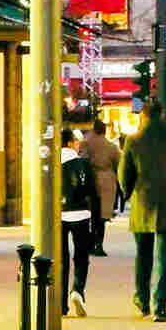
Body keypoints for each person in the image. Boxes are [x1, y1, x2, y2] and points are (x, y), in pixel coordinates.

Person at [119, 100, 166, 322]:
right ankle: (160, 306)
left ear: (143, 116)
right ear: (162, 115)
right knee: (165, 257)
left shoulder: (133, 141)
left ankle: (142, 302)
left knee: (142, 255)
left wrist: (128, 194)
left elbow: (124, 175)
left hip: (142, 202)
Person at [60, 128, 99, 317]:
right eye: (75, 141)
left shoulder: (49, 163)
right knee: (81, 256)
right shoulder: (82, 163)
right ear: (69, 143)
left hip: (58, 216)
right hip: (82, 214)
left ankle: (60, 303)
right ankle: (77, 290)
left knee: (61, 258)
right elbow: (93, 192)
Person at [80, 118, 119, 257]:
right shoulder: (111, 146)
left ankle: (89, 244)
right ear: (104, 131)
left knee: (91, 215)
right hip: (107, 181)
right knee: (102, 217)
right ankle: (99, 245)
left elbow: (82, 161)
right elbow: (118, 164)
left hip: (90, 181)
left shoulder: (86, 144)